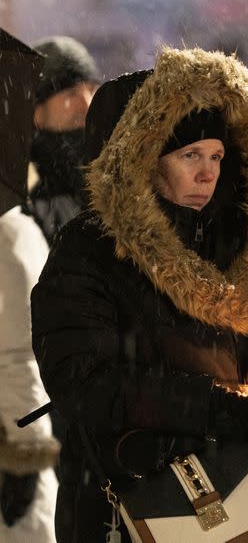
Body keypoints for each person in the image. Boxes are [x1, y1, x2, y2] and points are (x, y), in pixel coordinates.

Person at [30, 47, 248, 542]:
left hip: (237, 501)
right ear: (143, 160)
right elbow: (83, 381)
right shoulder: (90, 249)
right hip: (126, 504)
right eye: (190, 155)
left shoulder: (238, 245)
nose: (208, 173)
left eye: (217, 155)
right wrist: (209, 407)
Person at [0, 27, 58, 543]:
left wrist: (21, 460)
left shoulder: (9, 231)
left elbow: (20, 355)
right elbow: (19, 356)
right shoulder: (10, 231)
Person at [27, 36, 100, 245]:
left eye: (92, 90)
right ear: (37, 112)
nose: (87, 105)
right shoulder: (23, 192)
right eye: (71, 93)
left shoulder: (119, 174)